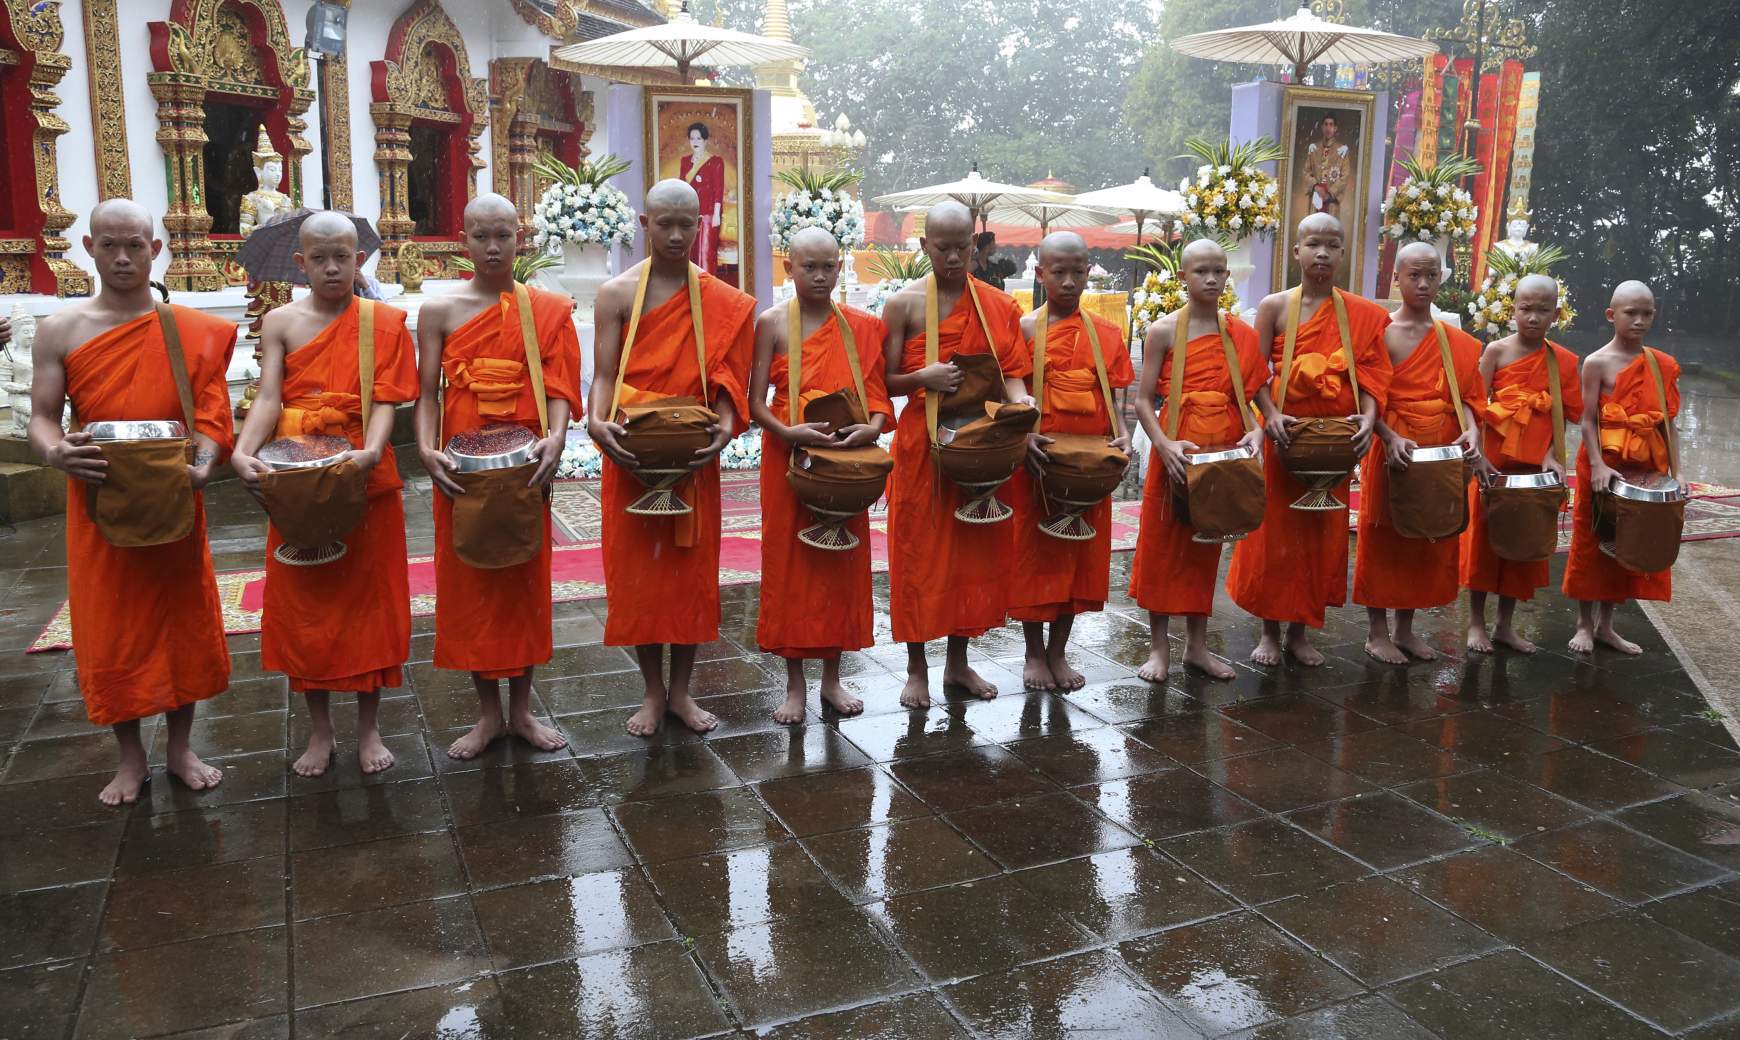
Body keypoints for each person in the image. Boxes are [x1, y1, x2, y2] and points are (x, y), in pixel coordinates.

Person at [27, 199, 234, 805]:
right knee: (110, 626)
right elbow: (42, 419)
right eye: (110, 245)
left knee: (181, 621)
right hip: (98, 495)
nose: (123, 257)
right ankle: (129, 756)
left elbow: (212, 414)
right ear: (88, 247)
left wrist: (203, 465)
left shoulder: (186, 328)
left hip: (171, 497)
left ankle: (180, 747)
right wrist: (55, 453)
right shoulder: (61, 329)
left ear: (155, 249)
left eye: (135, 245)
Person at [230, 212, 416, 777]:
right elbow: (267, 397)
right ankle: (318, 730)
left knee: (368, 606)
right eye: (320, 258)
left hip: (362, 473)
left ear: (360, 258)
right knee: (305, 604)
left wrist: (371, 453)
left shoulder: (382, 321)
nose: (332, 267)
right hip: (296, 476)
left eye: (343, 256)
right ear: (300, 263)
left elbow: (386, 399)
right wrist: (243, 450)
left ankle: (368, 727)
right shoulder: (281, 322)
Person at [590, 179, 757, 736]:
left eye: (689, 224)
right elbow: (605, 377)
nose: (678, 234)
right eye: (666, 223)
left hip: (692, 454)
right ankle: (651, 693)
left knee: (689, 577)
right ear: (644, 223)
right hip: (633, 451)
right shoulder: (617, 294)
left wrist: (727, 427)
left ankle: (682, 693)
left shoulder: (719, 300)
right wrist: (595, 419)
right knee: (638, 576)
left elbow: (731, 383)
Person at [416, 193, 578, 759]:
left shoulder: (546, 309)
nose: (492, 247)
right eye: (481, 236)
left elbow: (559, 388)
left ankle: (523, 712)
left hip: (526, 463)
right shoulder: (439, 311)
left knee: (523, 580)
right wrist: (425, 449)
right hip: (462, 465)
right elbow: (426, 394)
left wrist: (557, 437)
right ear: (464, 240)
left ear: (520, 238)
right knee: (470, 585)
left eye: (502, 235)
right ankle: (487, 716)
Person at [881, 200, 1032, 708]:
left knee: (970, 554)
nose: (952, 257)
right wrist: (921, 378)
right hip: (922, 445)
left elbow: (1012, 370)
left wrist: (1021, 404)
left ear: (975, 244)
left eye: (961, 247)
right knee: (919, 557)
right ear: (923, 246)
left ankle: (959, 662)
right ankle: (917, 667)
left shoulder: (996, 305)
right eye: (941, 248)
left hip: (980, 443)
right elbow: (881, 380)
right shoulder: (902, 304)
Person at [1226, 213, 1393, 666]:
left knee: (1321, 536)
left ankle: (1301, 631)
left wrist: (1368, 418)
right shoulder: (1275, 307)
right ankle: (1268, 630)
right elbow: (1254, 371)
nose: (1322, 252)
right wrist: (1271, 414)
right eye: (1313, 243)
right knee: (1275, 534)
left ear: (1342, 253)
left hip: (1336, 441)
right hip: (1286, 436)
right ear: (1296, 251)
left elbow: (1373, 375)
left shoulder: (1360, 314)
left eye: (1332, 245)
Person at [749, 227, 893, 721]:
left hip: (845, 463)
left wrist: (869, 431)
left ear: (840, 267)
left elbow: (876, 399)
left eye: (828, 266)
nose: (819, 275)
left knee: (840, 568)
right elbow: (754, 404)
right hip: (789, 460)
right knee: (790, 567)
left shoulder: (862, 327)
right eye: (808, 266)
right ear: (787, 268)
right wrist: (789, 433)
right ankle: (794, 684)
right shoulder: (771, 323)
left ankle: (832, 678)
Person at [1129, 239, 1265, 683]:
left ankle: (1198, 647)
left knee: (1206, 546)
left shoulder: (1239, 334)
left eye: (1218, 271)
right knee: (1161, 547)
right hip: (1175, 450)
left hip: (1221, 451)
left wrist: (1260, 427)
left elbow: (1256, 393)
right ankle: (1158, 649)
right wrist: (1163, 443)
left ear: (1228, 276)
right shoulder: (1164, 331)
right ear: (1183, 277)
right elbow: (1145, 400)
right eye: (1201, 270)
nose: (1210, 278)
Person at [1008, 231, 1133, 690]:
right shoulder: (1023, 329)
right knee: (1035, 556)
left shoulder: (1106, 334)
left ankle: (1059, 651)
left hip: (1091, 464)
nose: (1067, 281)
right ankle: (1033, 653)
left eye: (1076, 271)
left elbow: (1113, 398)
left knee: (1080, 559)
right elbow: (1013, 390)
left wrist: (1123, 436)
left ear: (1088, 272)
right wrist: (1024, 437)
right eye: (1056, 272)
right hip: (1041, 461)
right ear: (1039, 273)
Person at [1351, 241, 1487, 663]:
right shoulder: (1380, 333)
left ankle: (1405, 629)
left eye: (1432, 276)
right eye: (1414, 275)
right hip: (1393, 449)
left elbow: (1466, 393)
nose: (1424, 284)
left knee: (1425, 536)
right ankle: (1377, 633)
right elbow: (1365, 397)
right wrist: (1388, 436)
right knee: (1385, 538)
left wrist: (1471, 431)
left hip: (1440, 448)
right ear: (1397, 277)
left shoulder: (1452, 340)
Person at [1460, 274, 1585, 654]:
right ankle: (1477, 623)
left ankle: (1505, 625)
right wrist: (1477, 454)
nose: (1532, 317)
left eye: (1542, 310)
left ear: (1556, 314)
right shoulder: (1496, 351)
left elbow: (1561, 415)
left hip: (1533, 461)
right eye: (1525, 308)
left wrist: (1551, 456)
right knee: (1485, 542)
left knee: (1523, 540)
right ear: (1511, 310)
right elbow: (1475, 404)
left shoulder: (1561, 361)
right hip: (1493, 461)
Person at [1562, 281, 1680, 655]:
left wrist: (1678, 474)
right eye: (1632, 313)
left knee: (1628, 542)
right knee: (1591, 540)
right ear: (1612, 315)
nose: (1640, 320)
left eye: (1647, 313)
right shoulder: (1596, 362)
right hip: (1603, 464)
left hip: (1642, 463)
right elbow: (1587, 420)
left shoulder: (1661, 365)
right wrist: (1596, 464)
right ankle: (1583, 624)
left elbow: (1668, 424)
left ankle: (1606, 625)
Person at [680, 122, 727, 274]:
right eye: (692, 138)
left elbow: (718, 189)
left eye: (699, 138)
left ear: (706, 141)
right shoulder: (685, 161)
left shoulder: (715, 162)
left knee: (706, 252)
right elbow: (681, 187)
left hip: (708, 214)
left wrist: (716, 215)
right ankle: (690, 284)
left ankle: (707, 285)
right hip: (689, 214)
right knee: (690, 250)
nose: (695, 142)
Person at [1301, 115, 1351, 217]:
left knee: (1330, 230)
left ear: (1335, 128)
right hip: (1316, 196)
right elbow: (1306, 172)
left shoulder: (1341, 150)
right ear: (1322, 127)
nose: (1328, 128)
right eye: (1326, 124)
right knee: (1314, 228)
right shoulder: (1314, 149)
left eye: (1331, 125)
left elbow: (1345, 176)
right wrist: (1315, 186)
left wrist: (1330, 194)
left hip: (1331, 200)